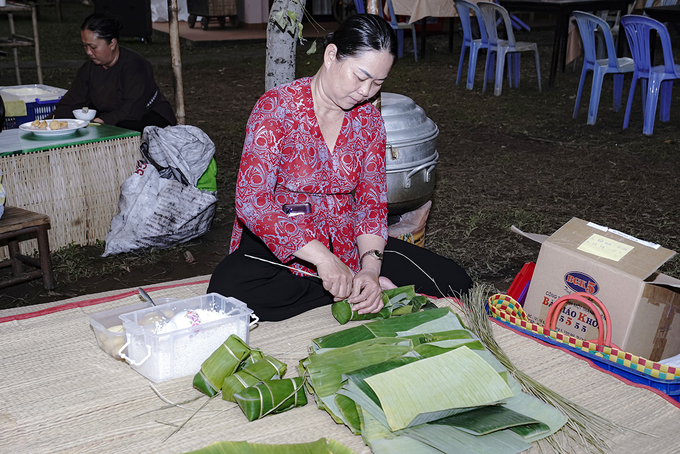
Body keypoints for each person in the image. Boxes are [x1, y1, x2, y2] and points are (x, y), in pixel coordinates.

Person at [208, 14, 472, 322]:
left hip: (347, 238)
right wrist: (323, 260)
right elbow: (253, 202)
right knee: (228, 290)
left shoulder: (369, 121)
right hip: (288, 241)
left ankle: (357, 289)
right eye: (360, 77)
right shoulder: (276, 109)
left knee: (457, 281)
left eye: (378, 82)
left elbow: (371, 205)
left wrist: (371, 271)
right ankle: (343, 289)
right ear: (331, 55)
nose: (366, 92)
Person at [51, 13, 176, 132]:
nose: (88, 52)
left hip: (149, 118)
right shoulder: (89, 68)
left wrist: (102, 120)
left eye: (93, 47)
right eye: (85, 46)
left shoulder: (135, 65)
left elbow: (132, 109)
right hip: (112, 117)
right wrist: (49, 123)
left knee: (119, 129)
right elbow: (72, 101)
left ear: (112, 43)